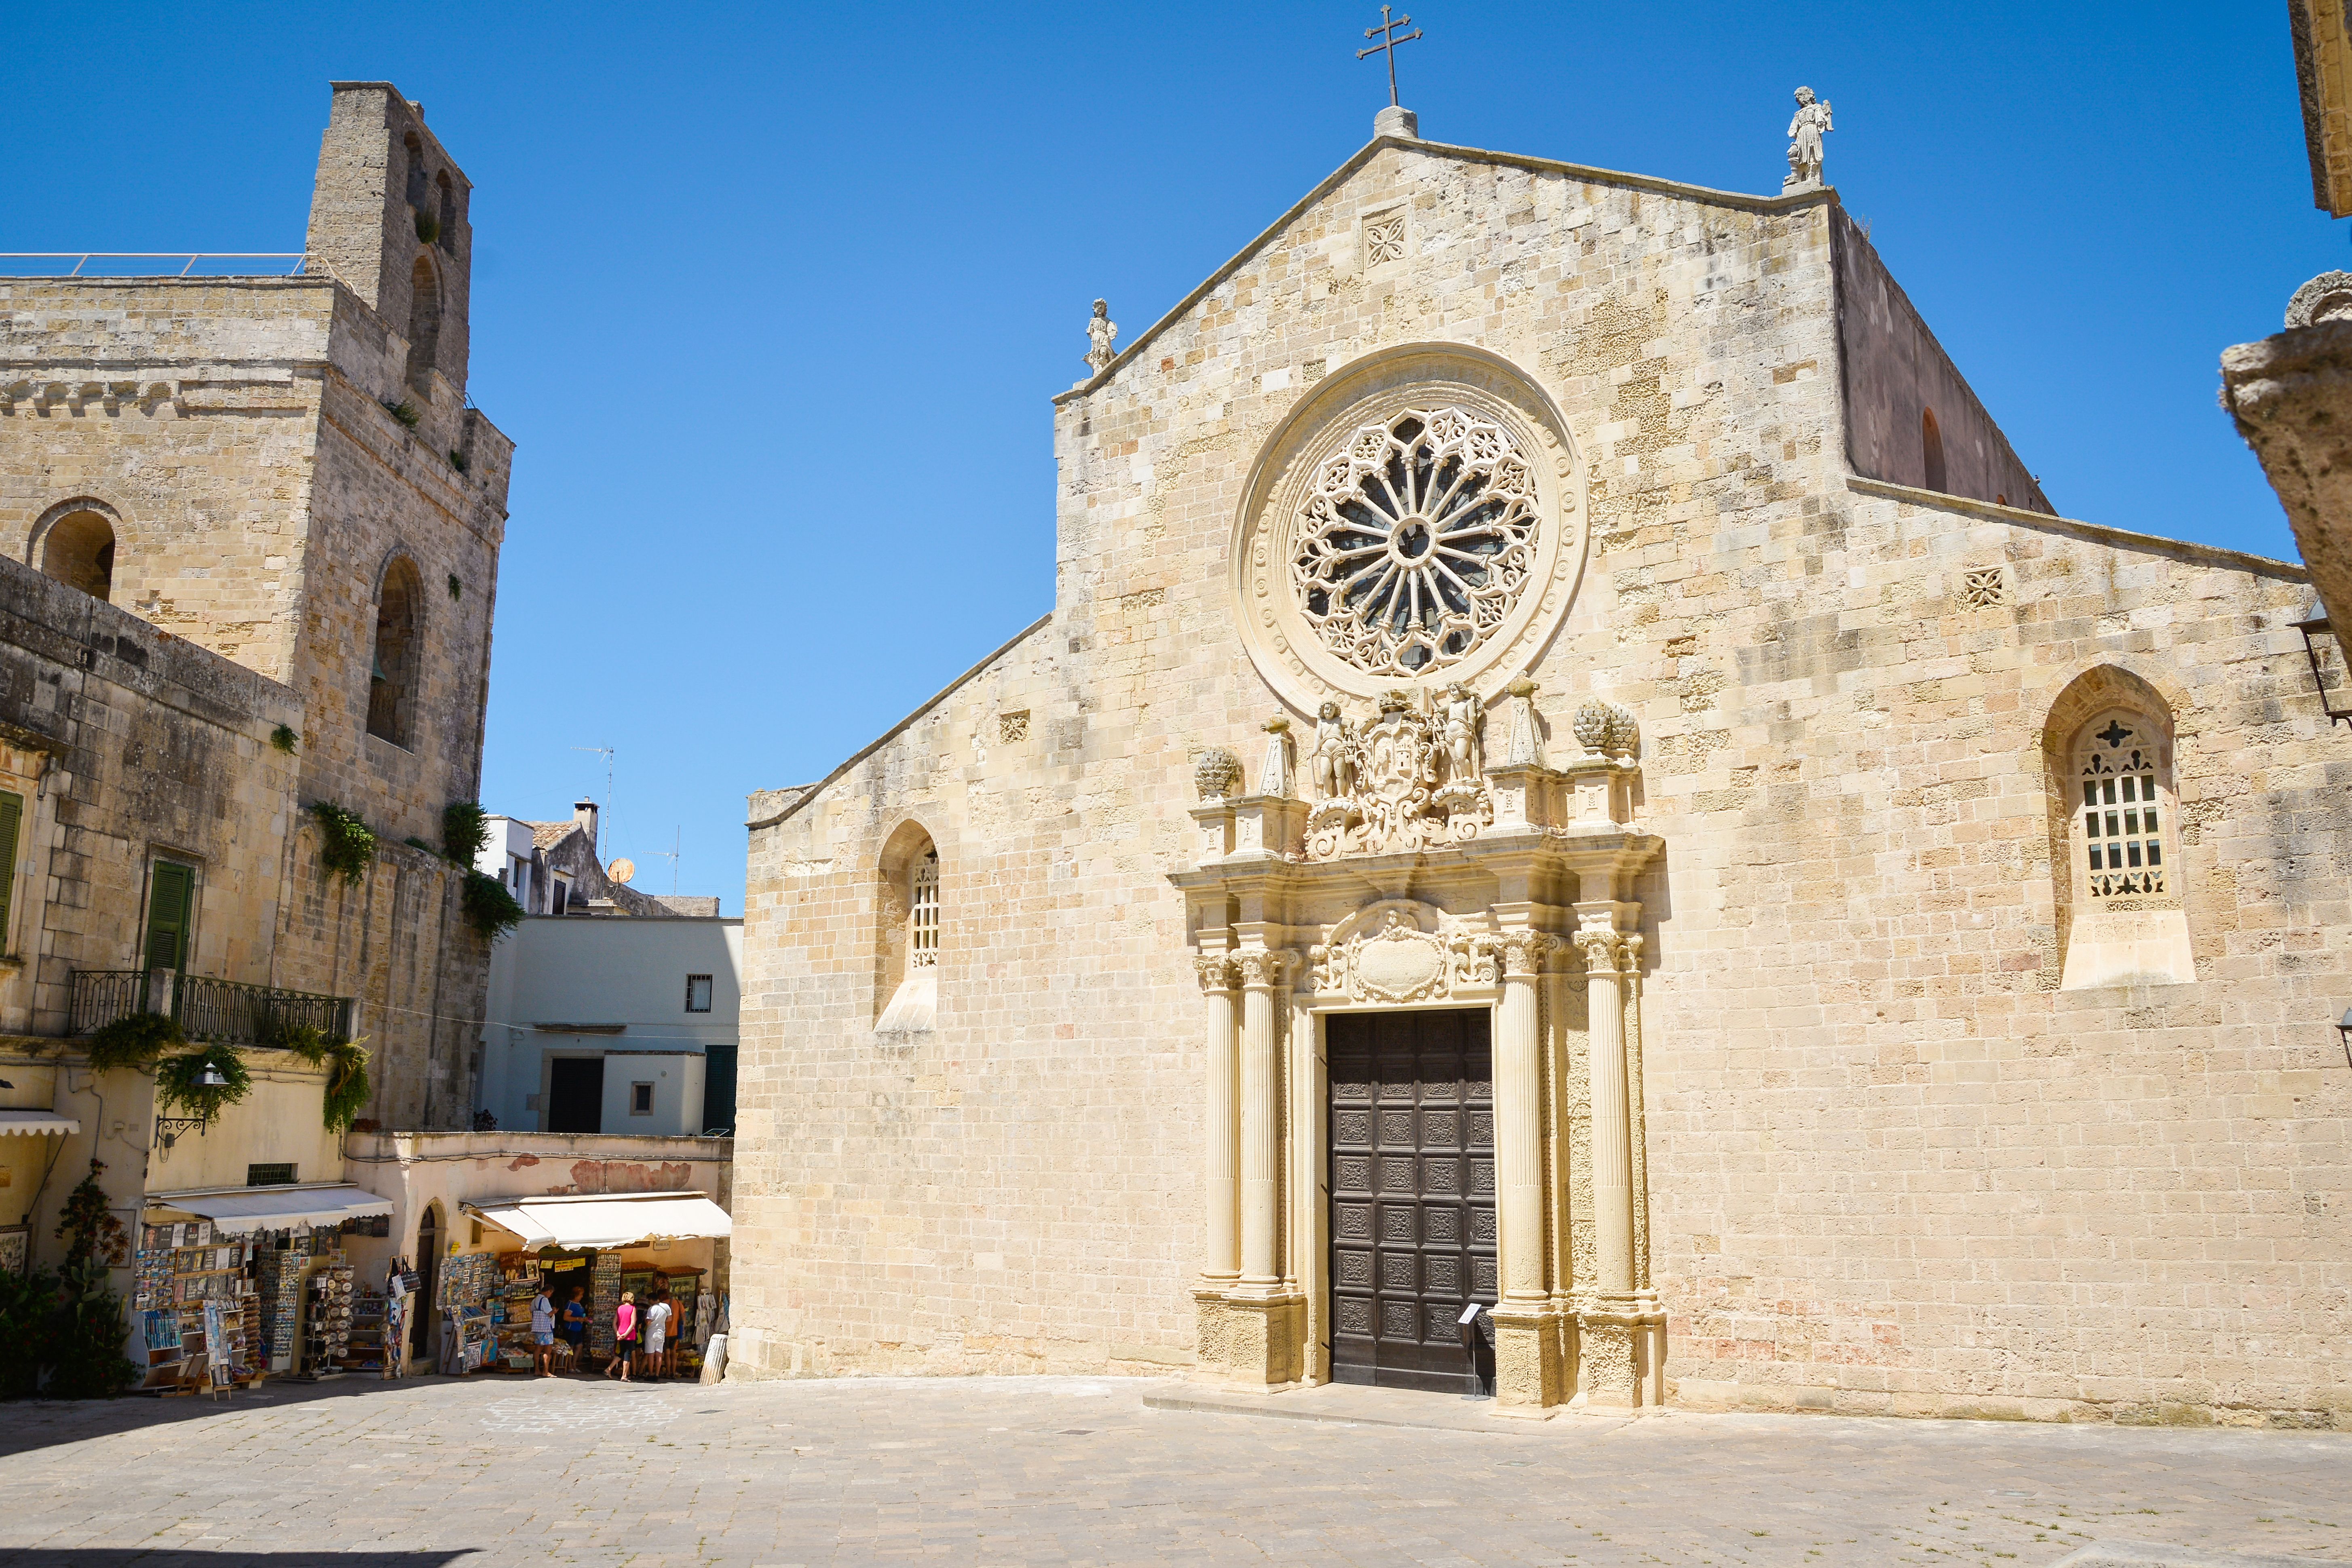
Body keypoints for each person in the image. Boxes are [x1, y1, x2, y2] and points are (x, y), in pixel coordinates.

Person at [643, 1288, 673, 1382]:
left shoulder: (652, 1309)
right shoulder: (666, 1307)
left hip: (651, 1332)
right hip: (661, 1332)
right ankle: (657, 1374)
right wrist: (661, 1321)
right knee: (659, 1354)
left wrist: (645, 1320)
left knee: (651, 1355)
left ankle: (651, 1374)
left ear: (652, 1300)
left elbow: (648, 1322)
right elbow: (670, 1319)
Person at [606, 1291, 637, 1381]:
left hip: (620, 1333)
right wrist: (626, 1334)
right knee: (628, 1355)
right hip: (629, 1335)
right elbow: (633, 1324)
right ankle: (624, 1375)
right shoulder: (633, 1309)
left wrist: (618, 1333)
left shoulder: (620, 1308)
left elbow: (614, 1323)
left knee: (622, 1353)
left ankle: (609, 1369)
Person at [530, 1280, 556, 1376]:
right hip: (546, 1328)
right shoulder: (544, 1300)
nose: (550, 1295)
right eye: (551, 1293)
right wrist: (554, 1311)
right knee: (548, 1350)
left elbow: (531, 1310)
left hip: (538, 1327)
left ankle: (537, 1370)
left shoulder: (535, 1300)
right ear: (549, 1291)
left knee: (538, 1349)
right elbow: (549, 1313)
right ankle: (546, 1371)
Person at [559, 1284, 587, 1370]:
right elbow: (566, 1317)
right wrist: (577, 1319)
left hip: (579, 1328)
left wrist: (584, 1318)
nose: (582, 1296)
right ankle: (570, 1366)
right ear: (576, 1295)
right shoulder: (571, 1304)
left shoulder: (579, 1304)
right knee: (570, 1348)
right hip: (571, 1329)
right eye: (581, 1295)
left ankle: (574, 1365)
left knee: (579, 1346)